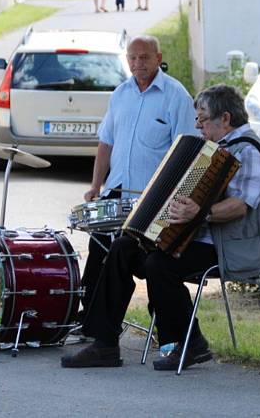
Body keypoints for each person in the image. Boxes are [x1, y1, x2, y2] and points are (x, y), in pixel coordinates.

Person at [61, 84, 260, 370]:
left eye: (202, 118)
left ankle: (187, 343)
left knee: (159, 264)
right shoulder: (211, 150)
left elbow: (240, 206)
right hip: (194, 239)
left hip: (227, 247)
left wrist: (200, 213)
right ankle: (104, 343)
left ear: (225, 119)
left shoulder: (248, 151)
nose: (197, 124)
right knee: (123, 247)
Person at [78, 35, 197, 317]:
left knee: (146, 259)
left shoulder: (176, 95)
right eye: (132, 57)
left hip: (153, 197)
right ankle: (91, 321)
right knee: (99, 251)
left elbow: (188, 150)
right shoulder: (120, 94)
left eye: (144, 57)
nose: (137, 63)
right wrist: (96, 184)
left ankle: (164, 323)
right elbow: (106, 142)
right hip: (117, 190)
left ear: (158, 57)